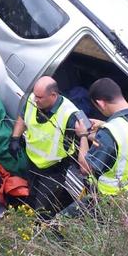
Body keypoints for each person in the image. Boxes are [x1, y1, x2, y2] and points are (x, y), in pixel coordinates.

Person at [10, 76, 88, 219]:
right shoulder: (32, 100)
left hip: (54, 170)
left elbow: (88, 136)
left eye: (40, 97)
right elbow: (23, 116)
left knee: (44, 207)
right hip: (32, 163)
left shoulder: (70, 114)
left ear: (53, 95)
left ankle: (42, 231)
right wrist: (15, 138)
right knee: (32, 195)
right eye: (35, 95)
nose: (35, 100)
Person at [76, 78, 128, 196]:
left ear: (100, 103)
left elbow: (85, 168)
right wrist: (105, 126)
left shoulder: (110, 134)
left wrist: (83, 135)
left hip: (109, 197)